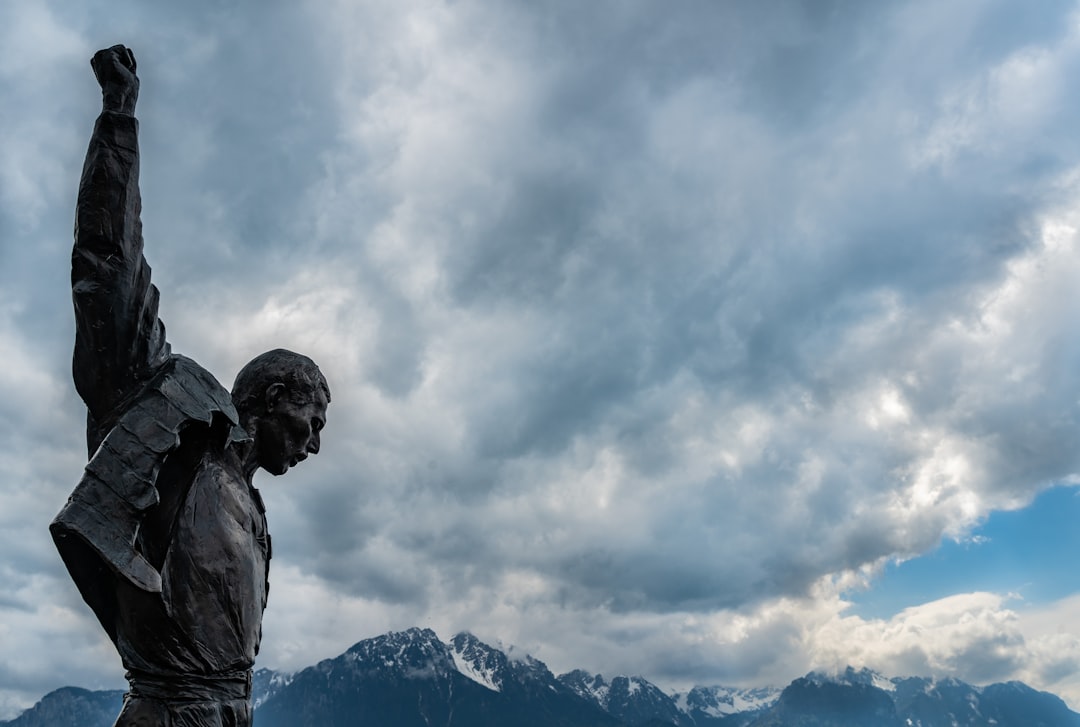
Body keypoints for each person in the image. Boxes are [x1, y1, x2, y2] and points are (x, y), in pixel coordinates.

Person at [50, 45, 330, 727]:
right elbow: (109, 272)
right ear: (270, 398)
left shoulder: (254, 512)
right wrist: (119, 117)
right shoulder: (172, 426)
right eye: (312, 421)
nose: (315, 445)